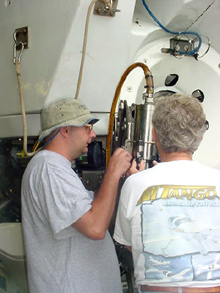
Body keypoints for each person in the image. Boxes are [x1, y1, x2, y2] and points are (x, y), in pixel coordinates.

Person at [21, 97, 136, 293]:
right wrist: (113, 172)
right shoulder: (49, 168)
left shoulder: (56, 168)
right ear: (65, 130)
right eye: (86, 127)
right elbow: (95, 226)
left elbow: (93, 207)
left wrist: (116, 178)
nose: (92, 135)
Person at [113, 93, 220, 293]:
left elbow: (133, 246)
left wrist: (143, 182)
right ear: (200, 136)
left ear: (154, 135)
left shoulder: (135, 184)